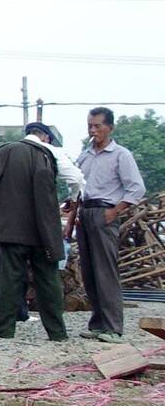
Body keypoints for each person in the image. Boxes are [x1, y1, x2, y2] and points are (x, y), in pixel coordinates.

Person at [0, 122, 75, 341]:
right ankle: (57, 333)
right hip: (42, 230)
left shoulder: (4, 151)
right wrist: (72, 198)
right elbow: (77, 178)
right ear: (46, 138)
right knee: (48, 280)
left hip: (10, 229)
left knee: (9, 279)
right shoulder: (50, 152)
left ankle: (4, 330)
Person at [72, 107, 145, 342]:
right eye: (90, 126)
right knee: (90, 272)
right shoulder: (85, 155)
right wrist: (70, 207)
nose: (93, 131)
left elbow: (136, 187)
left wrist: (115, 212)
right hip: (85, 212)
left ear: (110, 128)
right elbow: (78, 185)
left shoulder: (121, 155)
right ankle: (98, 324)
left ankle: (113, 327)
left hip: (105, 213)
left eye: (98, 126)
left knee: (106, 271)